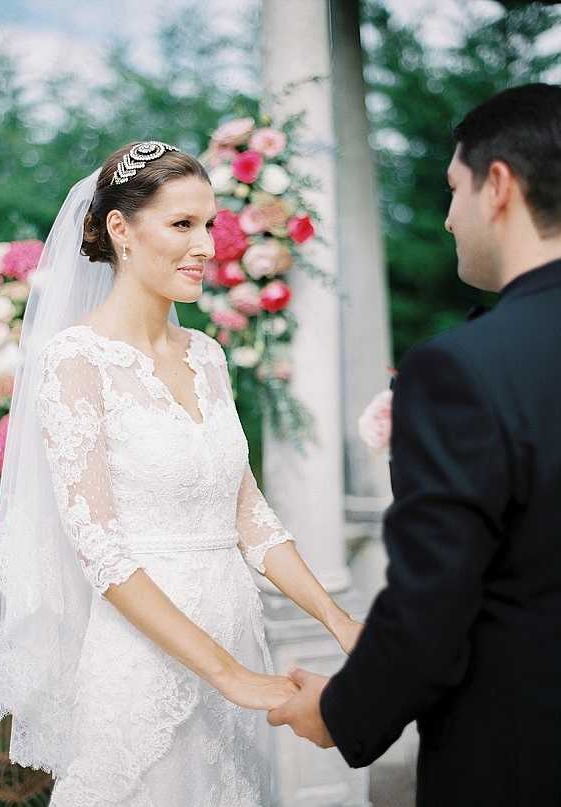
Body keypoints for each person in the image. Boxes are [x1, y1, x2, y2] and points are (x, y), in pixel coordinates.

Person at [0, 141, 363, 806]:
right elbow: (99, 548)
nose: (206, 246)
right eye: (182, 225)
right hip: (145, 660)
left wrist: (341, 621)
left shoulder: (208, 355)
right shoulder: (76, 359)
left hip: (238, 631)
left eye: (209, 224)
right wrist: (232, 675)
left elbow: (252, 519)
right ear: (121, 229)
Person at [268, 83, 561, 806]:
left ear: (498, 185)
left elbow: (434, 609)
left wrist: (338, 710)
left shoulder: (464, 368)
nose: (446, 217)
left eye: (452, 189)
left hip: (518, 760)